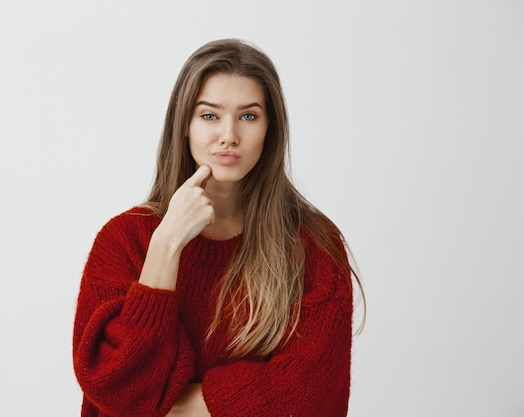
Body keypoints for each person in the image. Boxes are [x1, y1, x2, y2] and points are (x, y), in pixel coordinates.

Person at [72, 38, 364, 417]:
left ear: (270, 129)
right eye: (209, 115)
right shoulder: (123, 241)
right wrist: (166, 246)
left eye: (248, 116)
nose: (229, 135)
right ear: (185, 125)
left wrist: (170, 405)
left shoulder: (314, 244)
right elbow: (111, 384)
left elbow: (306, 395)